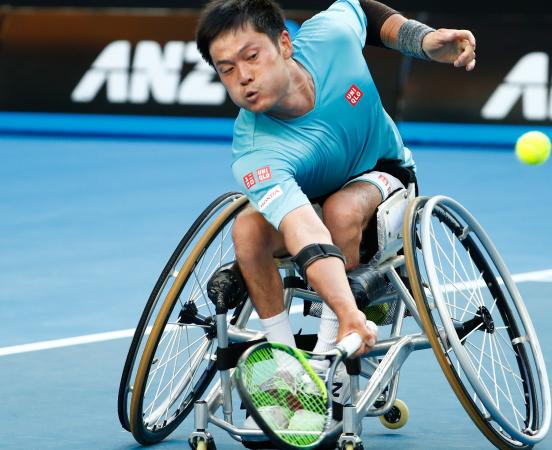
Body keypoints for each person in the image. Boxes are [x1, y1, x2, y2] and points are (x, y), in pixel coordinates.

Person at [195, 0, 475, 401]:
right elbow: (302, 227)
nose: (243, 77)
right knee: (248, 229)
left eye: (251, 57)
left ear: (285, 44)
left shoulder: (330, 39)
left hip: (383, 173)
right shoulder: (255, 150)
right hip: (313, 208)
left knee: (340, 211)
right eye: (227, 70)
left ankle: (331, 351)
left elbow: (363, 9)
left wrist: (424, 41)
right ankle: (285, 362)